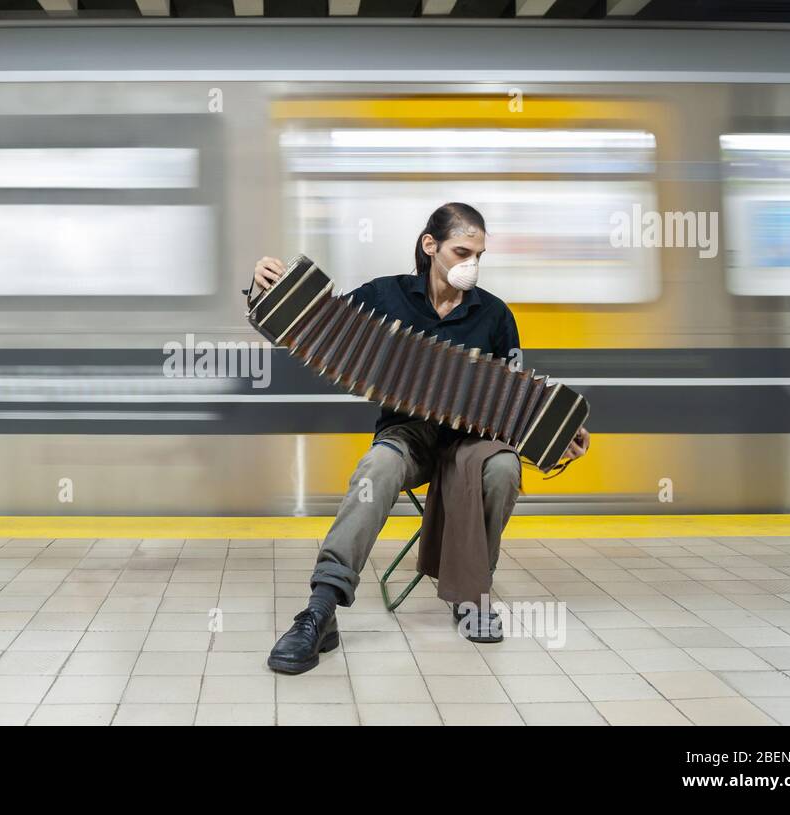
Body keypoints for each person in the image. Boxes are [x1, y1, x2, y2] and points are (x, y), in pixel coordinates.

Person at [250, 202, 590, 674]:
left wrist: (558, 435)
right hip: (408, 435)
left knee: (504, 467)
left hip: (470, 443)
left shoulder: (494, 316)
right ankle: (320, 608)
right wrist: (268, 284)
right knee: (377, 467)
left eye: (479, 255)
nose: (471, 263)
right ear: (431, 246)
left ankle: (472, 594)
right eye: (461, 250)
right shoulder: (385, 298)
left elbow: (517, 403)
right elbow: (315, 326)